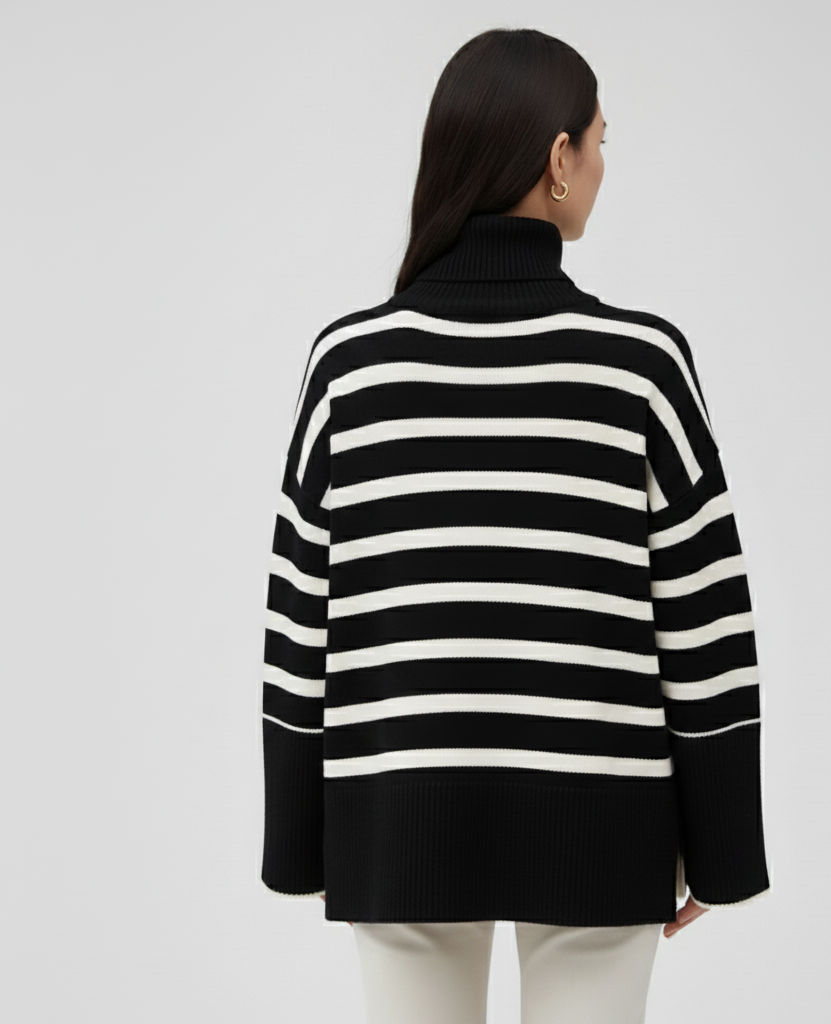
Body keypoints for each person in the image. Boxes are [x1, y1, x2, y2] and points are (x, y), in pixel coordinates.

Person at [261, 25, 770, 1024]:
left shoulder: (349, 368)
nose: (603, 166)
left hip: (397, 812)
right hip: (601, 815)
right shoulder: (640, 367)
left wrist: (301, 840)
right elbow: (707, 625)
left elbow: (297, 620)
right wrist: (722, 844)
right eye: (601, 142)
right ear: (557, 158)